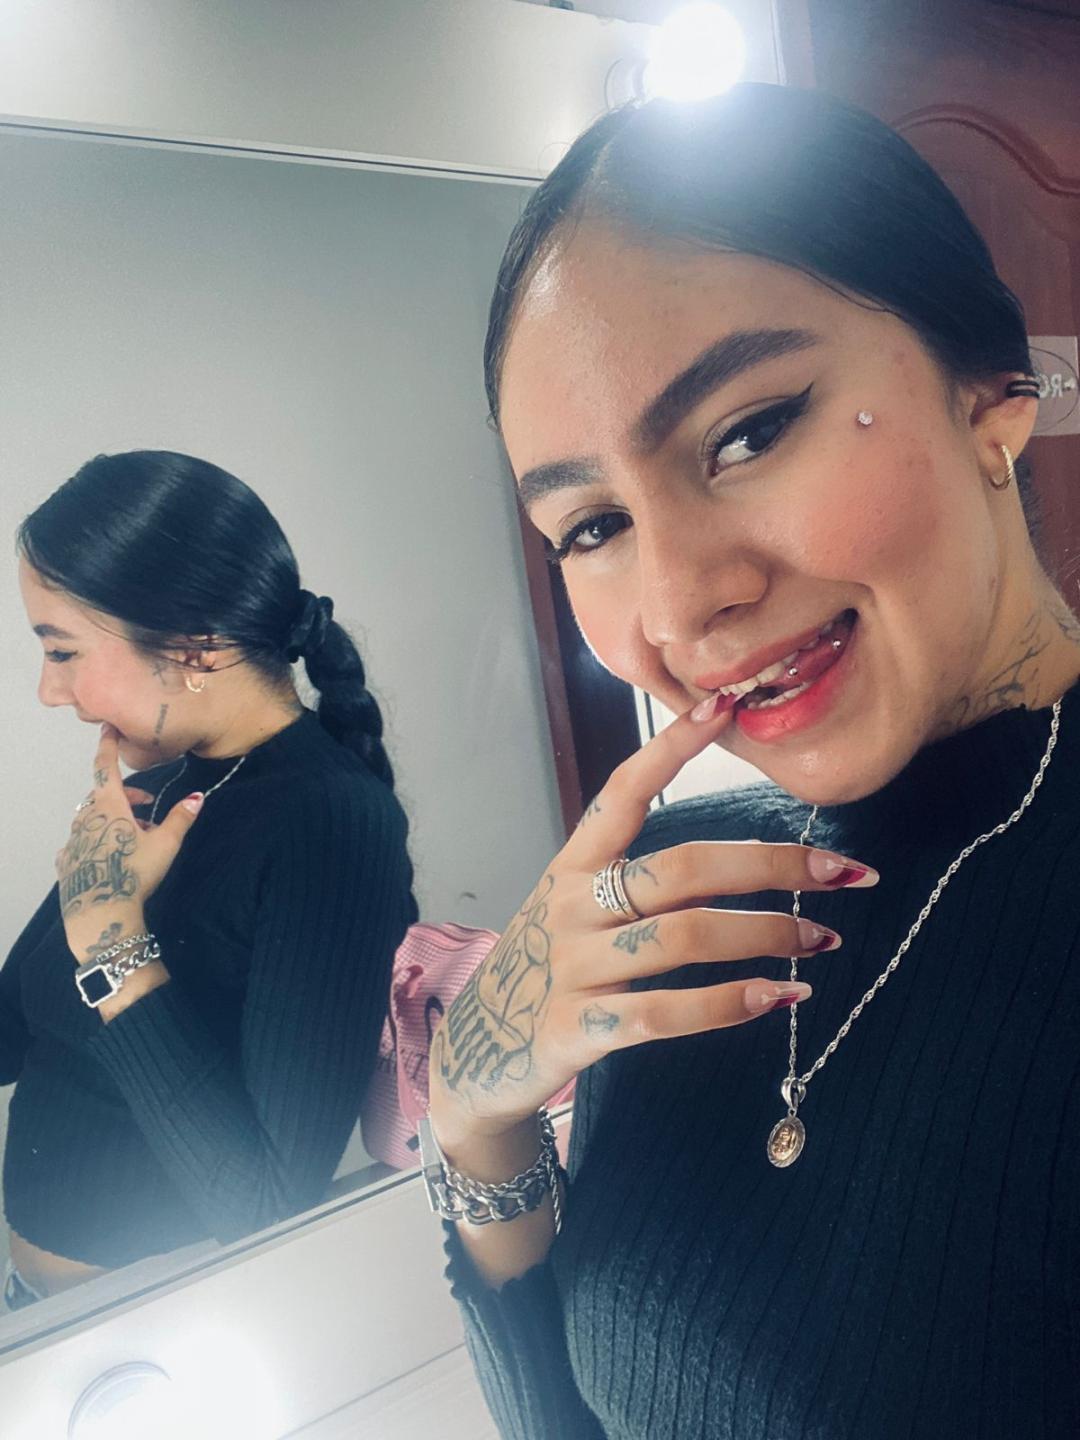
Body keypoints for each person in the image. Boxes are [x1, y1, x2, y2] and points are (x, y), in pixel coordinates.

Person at [424, 85, 1080, 1438]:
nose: (677, 606)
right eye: (592, 526)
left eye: (747, 432)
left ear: (989, 394)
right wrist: (475, 1124)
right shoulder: (665, 904)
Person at [3, 450, 417, 1306]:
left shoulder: (333, 822)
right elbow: (18, 1034)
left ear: (193, 643)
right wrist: (90, 907)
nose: (48, 690)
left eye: (63, 650)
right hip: (41, 1310)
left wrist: (113, 939)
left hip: (178, 1328)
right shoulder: (161, 789)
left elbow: (268, 1202)